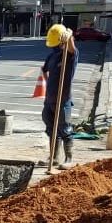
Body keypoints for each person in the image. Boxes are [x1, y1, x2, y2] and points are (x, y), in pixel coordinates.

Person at [41, 24, 78, 169]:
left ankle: (69, 159)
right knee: (51, 129)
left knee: (65, 129)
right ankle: (54, 157)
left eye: (57, 44)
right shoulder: (52, 56)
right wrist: (49, 83)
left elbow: (72, 49)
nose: (55, 47)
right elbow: (44, 70)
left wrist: (70, 37)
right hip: (49, 100)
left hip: (63, 100)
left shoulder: (69, 56)